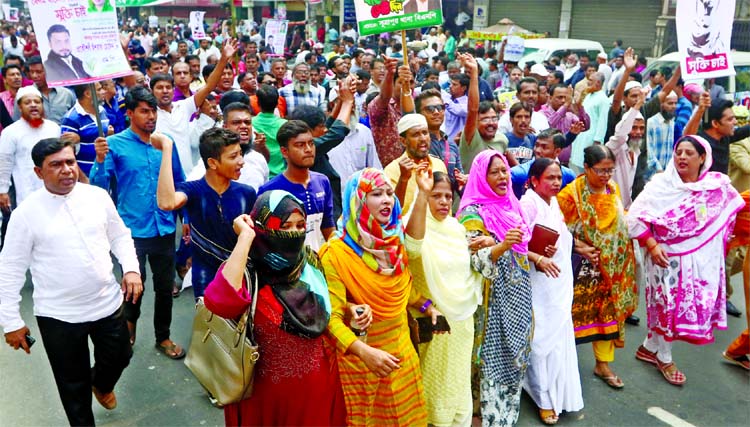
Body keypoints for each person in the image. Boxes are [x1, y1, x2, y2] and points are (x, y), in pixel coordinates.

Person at [0, 138, 142, 426]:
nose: (67, 170)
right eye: (56, 165)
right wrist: (11, 321)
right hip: (59, 316)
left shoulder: (97, 196)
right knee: (73, 388)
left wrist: (131, 269)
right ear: (39, 173)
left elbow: (119, 235)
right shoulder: (25, 215)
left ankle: (102, 385)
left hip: (107, 303)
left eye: (70, 162)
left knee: (121, 355)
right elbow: (10, 269)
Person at [203, 191, 346, 426]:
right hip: (265, 399)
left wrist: (350, 316)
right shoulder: (247, 271)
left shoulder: (310, 262)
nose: (293, 234)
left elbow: (325, 319)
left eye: (300, 226)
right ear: (262, 227)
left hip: (318, 390)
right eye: (284, 225)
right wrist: (246, 238)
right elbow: (221, 302)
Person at [320, 168, 434, 425]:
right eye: (376, 194)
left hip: (402, 356)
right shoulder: (335, 253)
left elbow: (413, 247)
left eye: (389, 193)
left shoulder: (393, 241)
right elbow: (330, 318)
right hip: (362, 363)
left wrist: (423, 194)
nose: (386, 200)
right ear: (358, 201)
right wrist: (364, 352)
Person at [627, 135, 743, 386]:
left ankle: (649, 348)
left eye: (689, 153)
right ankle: (664, 358)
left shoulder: (717, 187)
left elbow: (729, 217)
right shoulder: (660, 185)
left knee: (677, 305)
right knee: (666, 304)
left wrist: (722, 234)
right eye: (678, 152)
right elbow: (634, 217)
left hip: (700, 260)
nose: (681, 157)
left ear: (703, 158)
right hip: (663, 256)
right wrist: (652, 244)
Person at [89, 87, 187, 359]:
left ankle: (163, 337)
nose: (151, 116)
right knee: (134, 285)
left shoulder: (165, 143)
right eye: (144, 111)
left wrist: (185, 219)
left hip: (165, 227)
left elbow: (179, 182)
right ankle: (128, 330)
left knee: (165, 287)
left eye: (153, 110)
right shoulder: (115, 145)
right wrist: (99, 160)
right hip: (131, 230)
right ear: (130, 113)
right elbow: (99, 188)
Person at [456, 149, 533, 427]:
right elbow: (475, 259)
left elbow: (522, 247)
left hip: (519, 292)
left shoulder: (512, 204)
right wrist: (500, 245)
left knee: (514, 355)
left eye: (504, 171)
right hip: (490, 299)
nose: (503, 176)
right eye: (495, 171)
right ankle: (481, 417)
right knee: (488, 359)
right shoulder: (471, 212)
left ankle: (504, 417)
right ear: (481, 176)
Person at [404, 168, 482, 426]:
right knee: (434, 384)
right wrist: (422, 195)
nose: (444, 202)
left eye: (448, 196)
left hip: (462, 321)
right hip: (433, 321)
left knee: (458, 381)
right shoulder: (413, 224)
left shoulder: (455, 229)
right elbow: (412, 249)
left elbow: (465, 272)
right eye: (436, 196)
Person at [557, 145, 638, 389]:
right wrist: (578, 245)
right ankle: (559, 366)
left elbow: (619, 223)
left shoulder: (612, 189)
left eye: (610, 170)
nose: (605, 176)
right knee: (567, 317)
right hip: (580, 265)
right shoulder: (570, 196)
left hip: (611, 268)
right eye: (601, 170)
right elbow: (558, 229)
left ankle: (602, 363)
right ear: (587, 168)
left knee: (607, 315)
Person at [155, 127, 257, 299]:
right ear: (212, 163)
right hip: (206, 279)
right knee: (210, 325)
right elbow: (166, 202)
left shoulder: (246, 193)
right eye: (233, 156)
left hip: (242, 275)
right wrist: (166, 149)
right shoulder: (193, 190)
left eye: (240, 154)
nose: (241, 161)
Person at [519, 158, 584, 425]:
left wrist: (580, 247)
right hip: (538, 280)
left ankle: (558, 391)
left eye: (559, 178)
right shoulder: (528, 203)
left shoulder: (553, 203)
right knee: (540, 337)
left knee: (558, 336)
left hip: (558, 280)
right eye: (550, 178)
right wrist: (538, 259)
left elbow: (560, 237)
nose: (557, 183)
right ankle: (542, 397)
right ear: (534, 180)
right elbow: (518, 243)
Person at [258, 120, 335, 252]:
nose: (308, 149)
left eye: (311, 143)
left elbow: (328, 226)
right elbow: (267, 238)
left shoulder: (322, 182)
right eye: (300, 145)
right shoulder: (269, 191)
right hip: (288, 268)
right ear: (284, 152)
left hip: (319, 265)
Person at [384, 114, 447, 214]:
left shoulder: (439, 165)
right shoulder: (392, 170)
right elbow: (392, 211)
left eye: (425, 133)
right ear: (403, 141)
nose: (423, 138)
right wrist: (403, 179)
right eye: (416, 135)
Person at [61, 83, 113, 176]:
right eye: (99, 89)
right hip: (86, 173)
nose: (103, 92)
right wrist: (83, 178)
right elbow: (66, 155)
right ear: (88, 94)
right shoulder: (71, 118)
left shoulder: (102, 111)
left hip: (106, 169)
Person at [25, 56, 76, 124]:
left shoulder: (66, 94)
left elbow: (76, 119)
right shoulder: (25, 94)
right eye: (32, 72)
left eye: (39, 72)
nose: (34, 76)